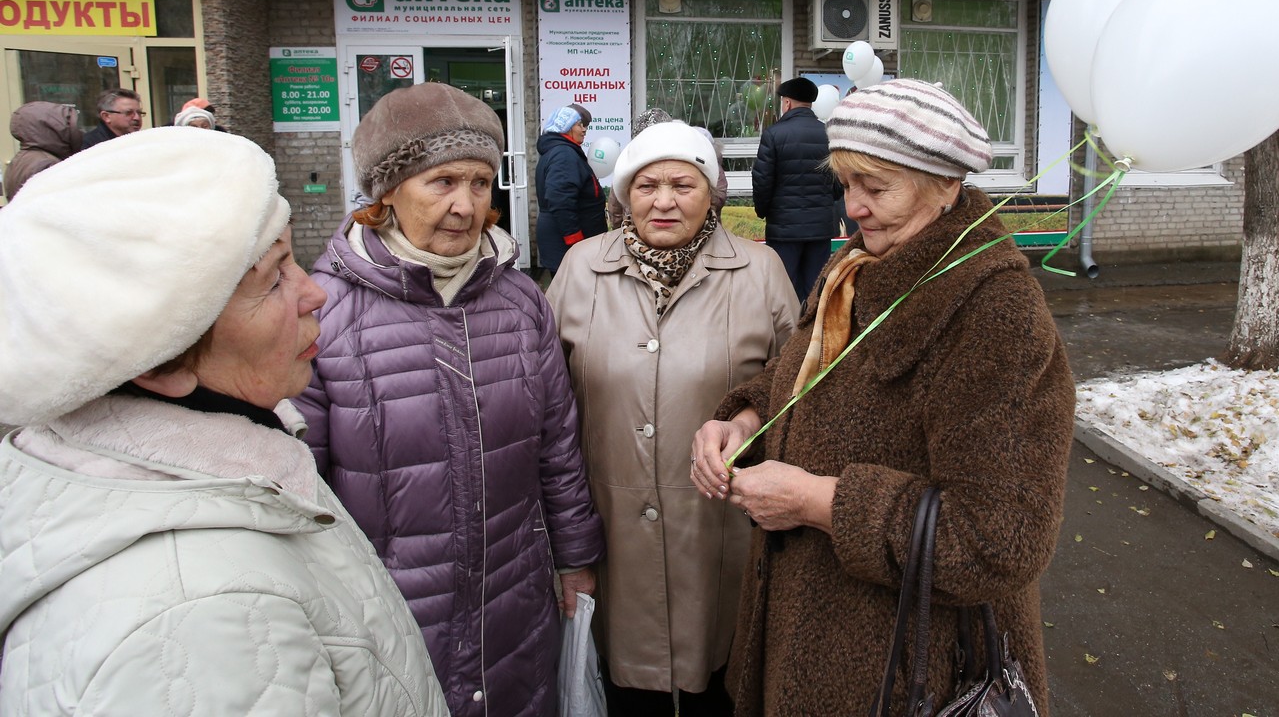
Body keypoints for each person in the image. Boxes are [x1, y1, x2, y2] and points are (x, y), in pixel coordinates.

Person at [0, 127, 446, 715]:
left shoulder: (233, 470)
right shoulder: (197, 616)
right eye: (274, 277)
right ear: (162, 364)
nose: (316, 294)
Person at [692, 79, 1075, 717]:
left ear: (947, 184)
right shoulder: (861, 266)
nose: (854, 209)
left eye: (876, 187)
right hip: (810, 629)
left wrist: (816, 501)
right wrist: (749, 414)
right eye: (847, 186)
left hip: (904, 670)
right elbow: (812, 378)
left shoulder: (995, 312)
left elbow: (997, 540)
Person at [294, 82, 603, 717]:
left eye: (481, 183)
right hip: (385, 617)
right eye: (442, 182)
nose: (466, 206)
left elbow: (558, 450)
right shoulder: (323, 314)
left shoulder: (520, 302)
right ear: (385, 193)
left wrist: (576, 561)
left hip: (516, 605)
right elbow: (304, 492)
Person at [547, 122, 798, 716]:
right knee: (623, 689)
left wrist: (750, 415)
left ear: (712, 194)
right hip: (610, 533)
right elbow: (546, 402)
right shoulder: (581, 268)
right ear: (622, 196)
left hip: (723, 528)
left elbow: (798, 388)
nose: (663, 201)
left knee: (722, 679)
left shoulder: (760, 271)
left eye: (683, 184)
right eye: (646, 185)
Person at [752, 76, 841, 303]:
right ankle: (811, 334)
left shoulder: (774, 134)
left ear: (788, 103)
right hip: (820, 227)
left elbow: (763, 180)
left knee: (783, 289)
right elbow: (840, 181)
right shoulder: (828, 134)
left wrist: (763, 211)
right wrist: (825, 201)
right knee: (815, 288)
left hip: (784, 229)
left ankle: (787, 336)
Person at [535, 102, 608, 273]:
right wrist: (576, 241)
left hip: (566, 244)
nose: (584, 130)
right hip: (567, 246)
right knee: (573, 296)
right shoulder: (563, 154)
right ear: (566, 127)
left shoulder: (560, 151)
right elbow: (560, 199)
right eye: (579, 125)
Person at [4, 100, 81, 198]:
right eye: (69, 127)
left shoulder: (23, 159)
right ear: (52, 129)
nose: (79, 132)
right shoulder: (46, 164)